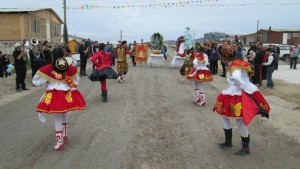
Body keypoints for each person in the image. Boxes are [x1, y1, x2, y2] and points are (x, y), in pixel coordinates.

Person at [213, 44, 270, 155]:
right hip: (236, 91)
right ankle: (228, 141)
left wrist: (241, 85)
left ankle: (245, 148)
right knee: (223, 115)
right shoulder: (236, 63)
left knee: (239, 121)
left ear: (223, 58)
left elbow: (238, 77)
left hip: (239, 93)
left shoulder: (234, 65)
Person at [32, 47, 86, 150]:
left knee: (57, 117)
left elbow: (36, 82)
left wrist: (48, 81)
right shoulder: (68, 67)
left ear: (52, 56)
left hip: (54, 94)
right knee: (64, 113)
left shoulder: (47, 68)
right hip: (66, 93)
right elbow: (76, 81)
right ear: (63, 55)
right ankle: (64, 136)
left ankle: (59, 142)